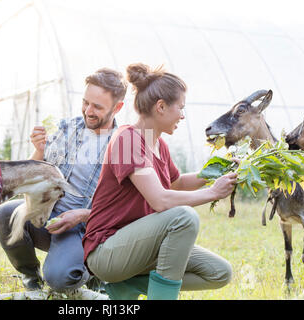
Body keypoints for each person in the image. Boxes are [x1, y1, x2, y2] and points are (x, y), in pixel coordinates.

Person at [82, 63, 237, 300]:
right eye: (180, 108)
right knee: (183, 217)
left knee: (219, 273)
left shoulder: (158, 144)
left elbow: (176, 184)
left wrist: (219, 169)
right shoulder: (127, 139)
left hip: (139, 247)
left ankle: (128, 287)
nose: (183, 115)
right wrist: (214, 193)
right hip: (107, 252)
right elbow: (161, 200)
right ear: (161, 107)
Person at [0, 68, 128, 299]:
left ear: (117, 108)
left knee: (60, 279)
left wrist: (80, 216)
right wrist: (39, 149)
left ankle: (92, 272)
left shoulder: (124, 144)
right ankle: (30, 276)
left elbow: (124, 208)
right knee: (5, 214)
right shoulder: (67, 128)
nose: (88, 111)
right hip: (48, 215)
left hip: (82, 229)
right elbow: (33, 174)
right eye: (85, 102)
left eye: (97, 106)